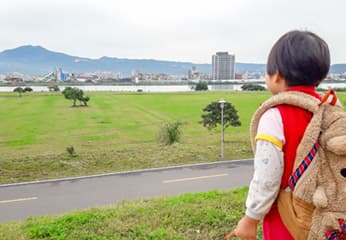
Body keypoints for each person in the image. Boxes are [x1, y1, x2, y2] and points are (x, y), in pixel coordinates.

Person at [224, 30, 330, 240]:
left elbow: (267, 177)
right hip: (327, 216)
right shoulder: (330, 110)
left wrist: (250, 219)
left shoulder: (274, 116)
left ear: (277, 76)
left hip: (288, 220)